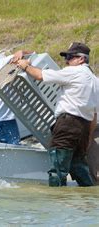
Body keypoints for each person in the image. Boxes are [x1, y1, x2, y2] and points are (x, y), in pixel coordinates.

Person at [16, 42, 97, 187]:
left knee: (58, 170)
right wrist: (89, 138)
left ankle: (57, 203)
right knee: (79, 167)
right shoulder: (95, 81)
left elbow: (40, 75)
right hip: (84, 128)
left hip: (68, 125)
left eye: (70, 57)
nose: (66, 61)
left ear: (81, 59)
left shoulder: (74, 72)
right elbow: (94, 116)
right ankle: (90, 200)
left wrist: (25, 66)